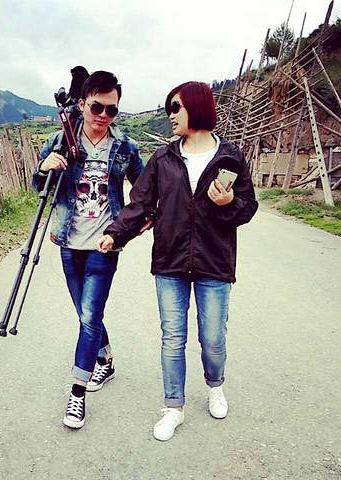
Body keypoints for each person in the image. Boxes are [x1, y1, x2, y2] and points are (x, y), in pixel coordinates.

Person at [97, 81, 258, 441]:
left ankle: (215, 385)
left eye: (175, 107)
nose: (170, 114)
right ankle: (174, 407)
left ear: (197, 108)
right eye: (168, 107)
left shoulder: (230, 157)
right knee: (173, 338)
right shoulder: (163, 158)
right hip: (170, 261)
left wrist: (227, 203)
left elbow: (248, 207)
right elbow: (140, 203)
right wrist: (115, 233)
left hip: (215, 262)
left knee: (212, 338)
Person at [32, 70, 144, 429]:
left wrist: (136, 223)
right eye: (97, 107)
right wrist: (44, 167)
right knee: (85, 314)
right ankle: (105, 360)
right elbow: (38, 185)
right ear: (81, 104)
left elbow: (143, 191)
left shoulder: (125, 147)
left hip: (104, 245)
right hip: (68, 241)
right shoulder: (60, 141)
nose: (104, 116)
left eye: (112, 110)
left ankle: (77, 394)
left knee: (90, 316)